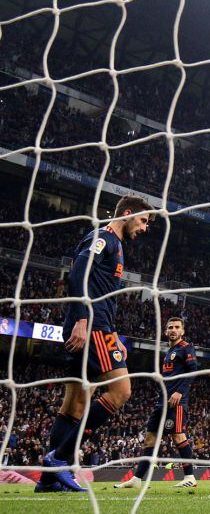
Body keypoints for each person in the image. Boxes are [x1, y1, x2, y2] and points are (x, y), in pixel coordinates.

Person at [36, 196, 154, 493]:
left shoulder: (116, 245)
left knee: (74, 404)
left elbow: (101, 291)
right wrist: (82, 319)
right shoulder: (103, 238)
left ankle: (49, 481)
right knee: (121, 391)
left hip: (100, 328)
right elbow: (78, 273)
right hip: (91, 327)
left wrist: (113, 334)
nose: (144, 228)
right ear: (127, 214)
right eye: (143, 221)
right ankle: (59, 458)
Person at [115, 317, 199, 489]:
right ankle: (137, 479)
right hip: (162, 402)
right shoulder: (169, 352)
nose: (173, 330)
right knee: (150, 438)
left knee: (178, 435)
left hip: (177, 402)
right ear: (166, 331)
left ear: (182, 331)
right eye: (170, 327)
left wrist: (179, 392)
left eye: (177, 327)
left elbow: (193, 371)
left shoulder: (186, 348)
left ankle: (190, 477)